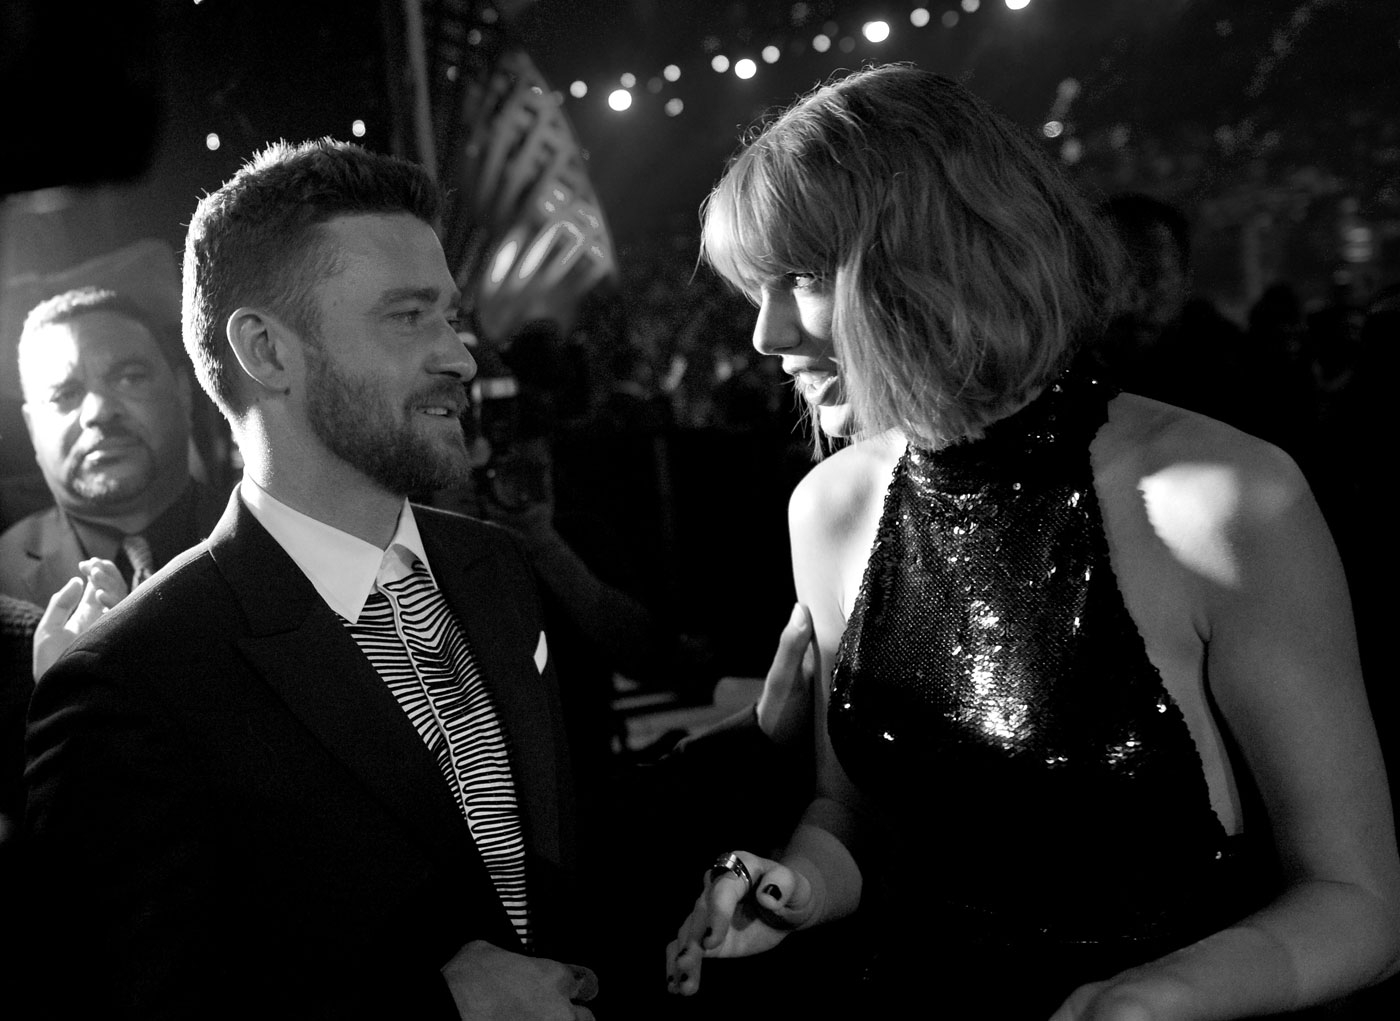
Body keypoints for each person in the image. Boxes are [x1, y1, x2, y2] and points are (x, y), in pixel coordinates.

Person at [666, 65, 1400, 1019]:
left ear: (938, 259)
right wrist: (793, 888)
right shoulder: (829, 508)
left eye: (803, 277)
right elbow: (853, 813)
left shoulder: (1221, 501)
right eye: (756, 288)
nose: (765, 335)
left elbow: (1361, 907)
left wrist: (1148, 999)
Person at [22, 139, 595, 1019]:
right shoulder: (132, 679)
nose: (461, 356)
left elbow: (569, 840)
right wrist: (427, 1008)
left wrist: (772, 738)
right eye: (409, 317)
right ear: (267, 350)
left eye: (450, 315)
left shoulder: (495, 567)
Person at [0, 249, 226, 604]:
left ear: (183, 393)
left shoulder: (277, 538)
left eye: (129, 378)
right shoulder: (4, 576)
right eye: (64, 395)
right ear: (32, 429)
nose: (99, 412)